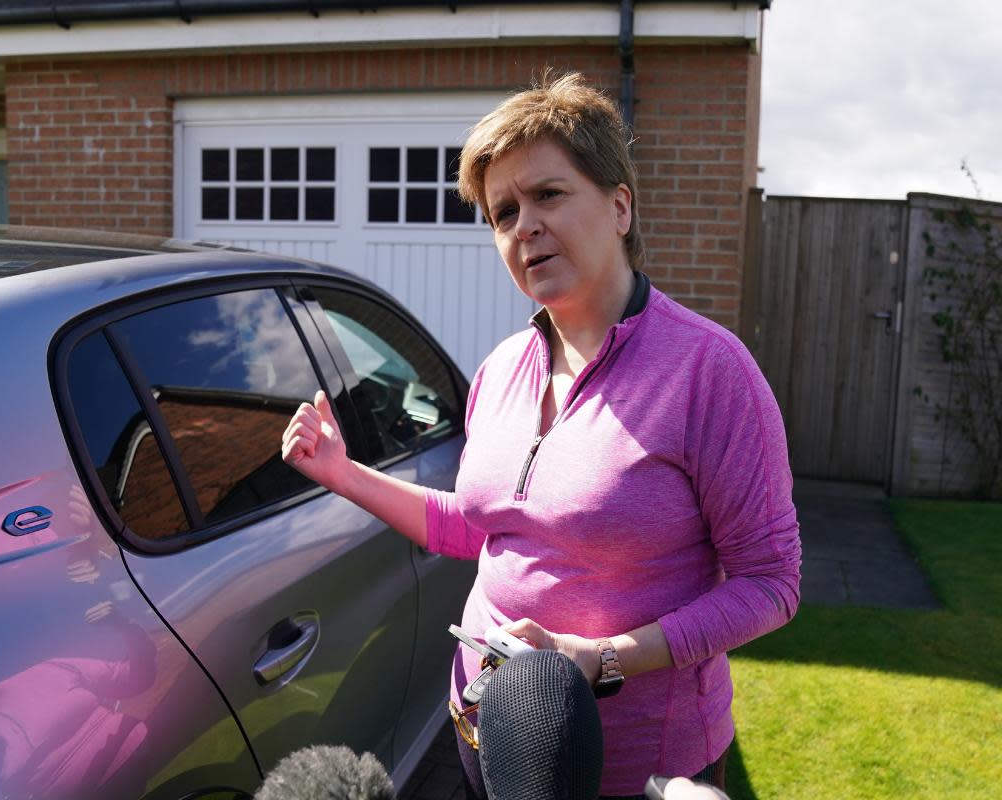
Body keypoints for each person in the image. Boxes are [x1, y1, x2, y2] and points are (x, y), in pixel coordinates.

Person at [281, 71, 801, 799]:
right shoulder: (499, 370)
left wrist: (605, 660)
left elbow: (771, 584)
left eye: (548, 195)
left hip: (635, 767)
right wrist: (340, 470)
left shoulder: (709, 372)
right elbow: (477, 528)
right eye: (502, 212)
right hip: (490, 738)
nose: (523, 225)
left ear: (619, 206)